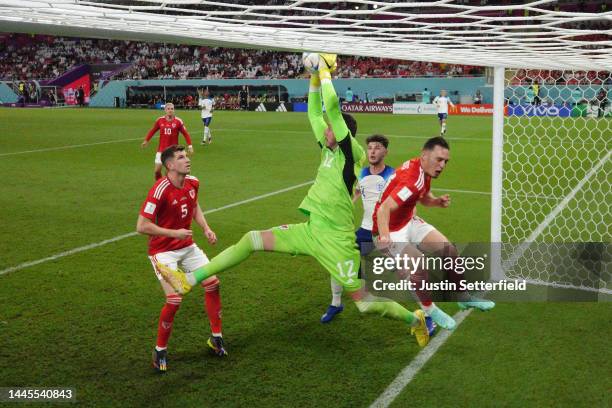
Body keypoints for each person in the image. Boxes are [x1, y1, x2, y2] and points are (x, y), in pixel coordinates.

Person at [157, 54, 431, 348]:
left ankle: (415, 320)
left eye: (329, 129)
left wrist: (326, 73)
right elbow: (315, 114)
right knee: (251, 239)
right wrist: (313, 77)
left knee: (365, 304)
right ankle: (189, 279)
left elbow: (333, 111)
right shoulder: (327, 150)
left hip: (336, 241)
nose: (323, 129)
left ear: (340, 134)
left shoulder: (351, 153)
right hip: (310, 231)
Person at [372, 137, 495, 330]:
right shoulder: (411, 180)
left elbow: (422, 197)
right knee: (418, 265)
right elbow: (383, 210)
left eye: (445, 161)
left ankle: (463, 297)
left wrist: (436, 201)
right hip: (388, 228)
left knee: (449, 250)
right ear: (424, 156)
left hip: (408, 220)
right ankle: (430, 309)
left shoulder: (424, 171)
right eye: (439, 159)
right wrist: (386, 239)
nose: (442, 165)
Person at [136, 145, 226, 373]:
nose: (187, 159)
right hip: (162, 251)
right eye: (181, 157)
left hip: (187, 246)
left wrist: (206, 228)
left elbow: (194, 205)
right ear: (169, 165)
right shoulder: (159, 189)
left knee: (213, 283)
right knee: (174, 299)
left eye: (186, 155)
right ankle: (160, 351)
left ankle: (216, 338)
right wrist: (173, 233)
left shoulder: (192, 182)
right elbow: (141, 226)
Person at [320, 134, 395, 323]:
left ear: (385, 151)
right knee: (337, 260)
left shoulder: (394, 175)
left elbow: (405, 202)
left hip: (384, 233)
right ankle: (336, 303)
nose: (372, 151)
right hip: (363, 231)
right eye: (370, 147)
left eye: (377, 147)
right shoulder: (361, 173)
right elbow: (357, 192)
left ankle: (427, 314)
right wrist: (349, 203)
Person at [142, 103, 193, 181]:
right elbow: (153, 130)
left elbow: (186, 134)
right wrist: (146, 140)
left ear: (174, 110)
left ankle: (172, 186)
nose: (170, 110)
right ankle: (159, 183)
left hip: (173, 151)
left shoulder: (178, 121)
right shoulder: (160, 120)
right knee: (157, 171)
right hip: (161, 150)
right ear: (165, 110)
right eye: (168, 109)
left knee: (171, 172)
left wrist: (190, 146)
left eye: (172, 109)